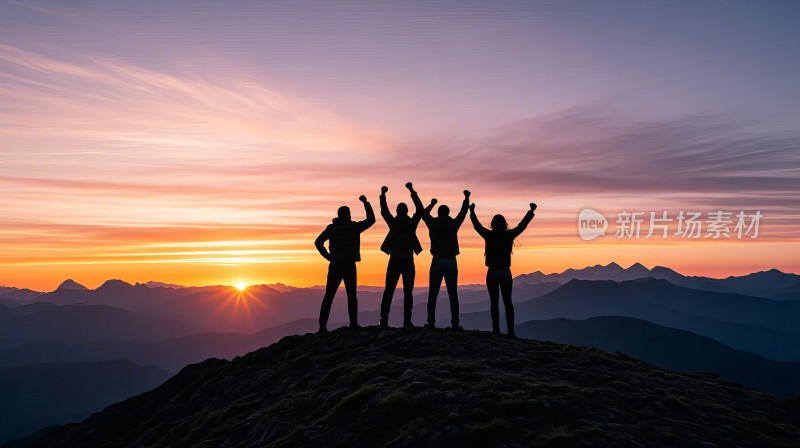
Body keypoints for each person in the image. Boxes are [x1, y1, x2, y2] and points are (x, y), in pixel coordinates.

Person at [408, 183, 470, 331]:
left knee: (433, 294)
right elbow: (463, 212)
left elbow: (421, 210)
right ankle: (455, 324)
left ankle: (431, 322)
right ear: (448, 213)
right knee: (453, 294)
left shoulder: (433, 223)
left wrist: (412, 191)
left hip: (436, 262)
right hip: (451, 262)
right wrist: (466, 198)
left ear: (439, 213)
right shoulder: (454, 224)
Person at [469, 201, 537, 337]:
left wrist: (472, 211)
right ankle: (511, 332)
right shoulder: (509, 235)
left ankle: (496, 330)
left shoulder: (489, 235)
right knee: (508, 302)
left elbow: (477, 226)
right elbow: (522, 226)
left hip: (492, 272)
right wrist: (530, 212)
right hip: (506, 272)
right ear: (504, 224)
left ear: (493, 224)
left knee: (494, 302)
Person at [314, 194, 376, 333]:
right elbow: (371, 220)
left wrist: (328, 256)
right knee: (351, 295)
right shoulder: (354, 227)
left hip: (335, 265)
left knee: (329, 296)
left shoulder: (331, 228)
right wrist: (366, 202)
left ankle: (322, 327)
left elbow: (318, 242)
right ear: (348, 215)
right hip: (349, 265)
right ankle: (353, 324)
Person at [378, 184, 432, 328]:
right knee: (408, 292)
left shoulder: (393, 223)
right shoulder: (411, 223)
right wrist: (412, 191)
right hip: (408, 261)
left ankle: (383, 320)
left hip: (394, 261)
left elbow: (384, 210)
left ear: (397, 211)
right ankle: (407, 321)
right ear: (407, 211)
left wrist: (383, 194)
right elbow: (420, 209)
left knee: (389, 290)